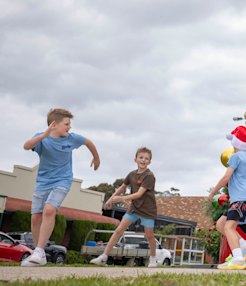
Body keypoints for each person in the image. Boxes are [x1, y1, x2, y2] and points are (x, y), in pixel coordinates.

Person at [22, 108, 100, 267]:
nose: (69, 127)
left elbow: (88, 142)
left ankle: (38, 251)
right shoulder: (41, 138)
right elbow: (26, 146)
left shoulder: (72, 138)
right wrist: (43, 135)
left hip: (63, 180)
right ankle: (40, 253)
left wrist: (96, 158)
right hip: (43, 182)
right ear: (54, 125)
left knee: (49, 210)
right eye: (66, 124)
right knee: (36, 217)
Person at [90, 147, 159, 267]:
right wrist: (111, 198)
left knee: (149, 236)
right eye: (141, 157)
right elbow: (122, 187)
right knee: (118, 230)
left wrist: (121, 199)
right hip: (134, 209)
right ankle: (104, 257)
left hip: (148, 210)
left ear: (150, 162)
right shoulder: (131, 174)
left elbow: (139, 194)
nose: (143, 160)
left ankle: (153, 259)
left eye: (146, 158)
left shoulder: (149, 176)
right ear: (135, 159)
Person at [207, 126, 246, 270]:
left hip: (240, 199)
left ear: (235, 142)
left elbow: (226, 177)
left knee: (229, 227)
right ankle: (244, 247)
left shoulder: (236, 157)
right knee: (220, 224)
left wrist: (213, 192)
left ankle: (238, 259)